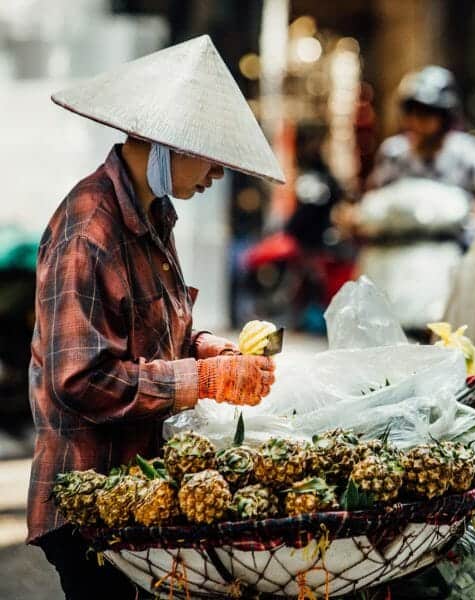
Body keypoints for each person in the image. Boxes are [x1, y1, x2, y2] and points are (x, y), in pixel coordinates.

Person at [27, 35, 284, 598]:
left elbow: (165, 330)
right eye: (211, 160)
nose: (217, 176)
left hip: (138, 488)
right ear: (168, 145)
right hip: (90, 498)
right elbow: (80, 380)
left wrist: (208, 348)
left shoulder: (153, 216)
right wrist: (201, 381)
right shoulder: (87, 232)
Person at [367, 65, 475, 218]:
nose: (416, 121)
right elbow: (372, 198)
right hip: (400, 238)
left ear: (444, 117)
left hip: (454, 238)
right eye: (411, 113)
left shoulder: (465, 151)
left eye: (425, 114)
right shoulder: (393, 153)